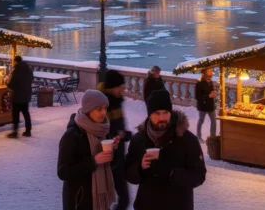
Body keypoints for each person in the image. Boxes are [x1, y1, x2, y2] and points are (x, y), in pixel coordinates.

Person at [125, 89, 206, 210]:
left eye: (165, 112)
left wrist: (171, 173)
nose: (162, 117)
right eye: (157, 113)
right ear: (149, 114)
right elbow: (129, 176)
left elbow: (199, 176)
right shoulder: (139, 139)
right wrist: (140, 167)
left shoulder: (187, 139)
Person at [58, 90, 118, 210]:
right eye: (99, 109)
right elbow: (63, 172)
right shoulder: (72, 135)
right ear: (88, 110)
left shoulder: (102, 130)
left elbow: (108, 165)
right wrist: (93, 161)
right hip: (79, 201)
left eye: (105, 108)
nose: (104, 113)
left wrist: (113, 149)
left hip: (99, 198)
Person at [99, 70, 131, 210]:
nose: (122, 90)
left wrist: (125, 134)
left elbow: (119, 127)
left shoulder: (117, 101)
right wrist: (119, 135)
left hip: (118, 157)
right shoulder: (103, 105)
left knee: (124, 199)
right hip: (107, 160)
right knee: (109, 199)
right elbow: (102, 132)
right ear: (112, 87)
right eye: (120, 88)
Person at [7, 56, 33, 138]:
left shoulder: (16, 70)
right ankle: (28, 131)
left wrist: (7, 83)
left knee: (15, 115)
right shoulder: (28, 70)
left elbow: (11, 85)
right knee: (26, 114)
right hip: (26, 95)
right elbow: (31, 80)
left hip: (17, 97)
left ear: (15, 61)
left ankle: (15, 132)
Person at [194, 68, 216, 143]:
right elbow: (197, 96)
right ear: (205, 73)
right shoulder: (199, 83)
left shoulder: (210, 82)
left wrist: (213, 94)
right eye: (210, 71)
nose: (212, 72)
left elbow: (211, 92)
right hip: (203, 106)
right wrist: (208, 96)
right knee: (201, 121)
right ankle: (198, 136)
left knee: (214, 121)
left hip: (210, 105)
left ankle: (213, 137)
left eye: (211, 71)